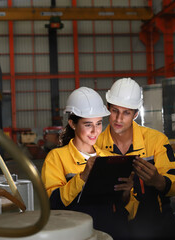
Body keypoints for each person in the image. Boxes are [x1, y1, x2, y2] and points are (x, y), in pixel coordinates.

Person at [41, 87, 137, 239]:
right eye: (88, 125)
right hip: (77, 235)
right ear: (73, 124)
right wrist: (82, 177)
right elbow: (53, 204)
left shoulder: (109, 158)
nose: (95, 131)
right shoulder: (56, 158)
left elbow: (123, 207)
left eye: (98, 123)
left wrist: (126, 193)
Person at [96, 78, 175, 239]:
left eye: (126, 112)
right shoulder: (96, 145)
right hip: (114, 225)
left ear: (136, 114)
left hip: (157, 223)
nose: (118, 118)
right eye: (115, 110)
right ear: (107, 108)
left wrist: (158, 181)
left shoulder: (156, 141)